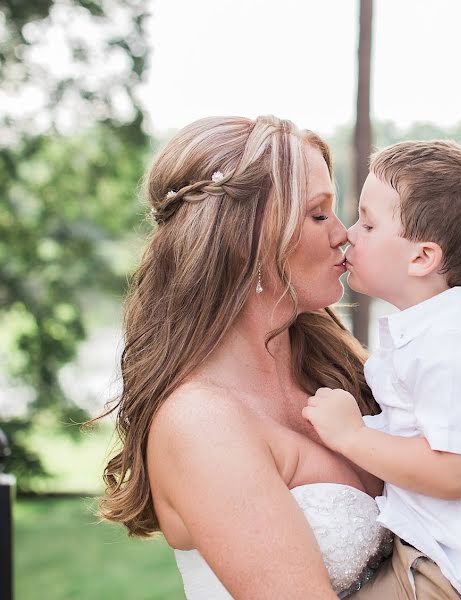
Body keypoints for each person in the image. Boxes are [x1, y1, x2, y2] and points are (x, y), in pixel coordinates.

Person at [94, 115, 397, 599]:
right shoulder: (201, 423)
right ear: (245, 239)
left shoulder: (336, 366)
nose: (344, 234)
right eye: (318, 215)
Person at [303, 140, 461, 600]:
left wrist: (351, 436)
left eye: (368, 222)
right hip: (434, 561)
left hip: (451, 576)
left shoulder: (453, 346)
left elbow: (454, 473)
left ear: (422, 258)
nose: (350, 234)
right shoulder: (432, 335)